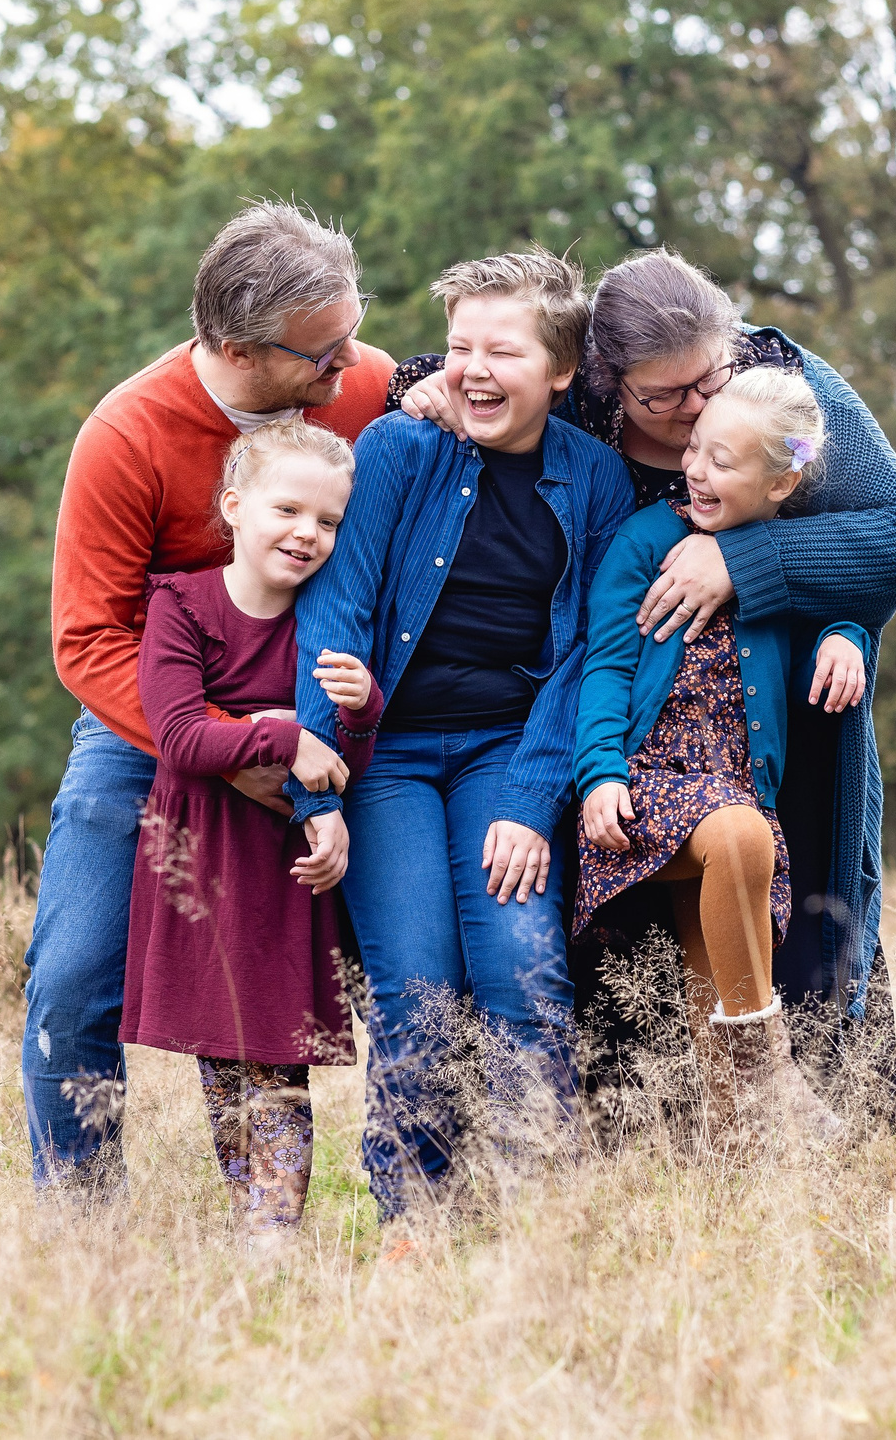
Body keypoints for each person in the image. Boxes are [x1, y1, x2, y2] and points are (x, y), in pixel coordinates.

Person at [392, 250, 896, 1124]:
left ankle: (823, 1142)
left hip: (778, 740)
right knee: (631, 1022)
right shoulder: (573, 403)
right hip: (620, 748)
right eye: (664, 398)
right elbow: (481, 364)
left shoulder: (784, 394)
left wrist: (745, 560)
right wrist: (420, 387)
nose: (694, 410)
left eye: (708, 380)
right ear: (602, 379)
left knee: (803, 940)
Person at [26, 201, 395, 1190]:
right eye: (322, 351)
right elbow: (89, 641)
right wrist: (233, 749)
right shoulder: (128, 435)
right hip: (155, 721)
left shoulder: (369, 387)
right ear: (238, 349)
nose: (350, 362)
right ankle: (78, 1227)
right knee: (73, 976)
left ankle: (423, 1206)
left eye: (353, 330)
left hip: (333, 712)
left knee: (411, 963)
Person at [292, 249, 635, 1218]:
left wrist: (531, 800)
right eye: (459, 347)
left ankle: (539, 1213)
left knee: (522, 972)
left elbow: (589, 653)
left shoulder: (596, 480)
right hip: (387, 755)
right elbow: (336, 611)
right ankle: (417, 1217)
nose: (474, 370)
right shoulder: (399, 449)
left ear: (561, 369)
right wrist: (315, 785)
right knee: (419, 990)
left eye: (503, 351)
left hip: (507, 754)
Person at [573, 369, 871, 1142]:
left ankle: (741, 1156)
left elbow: (841, 611)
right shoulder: (647, 540)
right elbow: (604, 665)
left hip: (738, 791)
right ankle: (775, 1072)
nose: (697, 471)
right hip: (645, 787)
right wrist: (599, 773)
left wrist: (847, 638)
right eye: (695, 450)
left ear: (781, 483)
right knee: (739, 836)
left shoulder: (787, 555)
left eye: (724, 461)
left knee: (719, 954)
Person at [121, 417, 384, 1237]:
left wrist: (361, 709)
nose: (308, 534)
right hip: (206, 855)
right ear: (235, 507)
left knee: (276, 1051)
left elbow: (344, 761)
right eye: (288, 510)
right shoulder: (181, 605)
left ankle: (274, 1233)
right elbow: (180, 737)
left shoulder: (327, 617)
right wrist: (282, 734)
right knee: (223, 1054)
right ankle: (249, 1214)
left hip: (284, 863)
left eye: (328, 521)